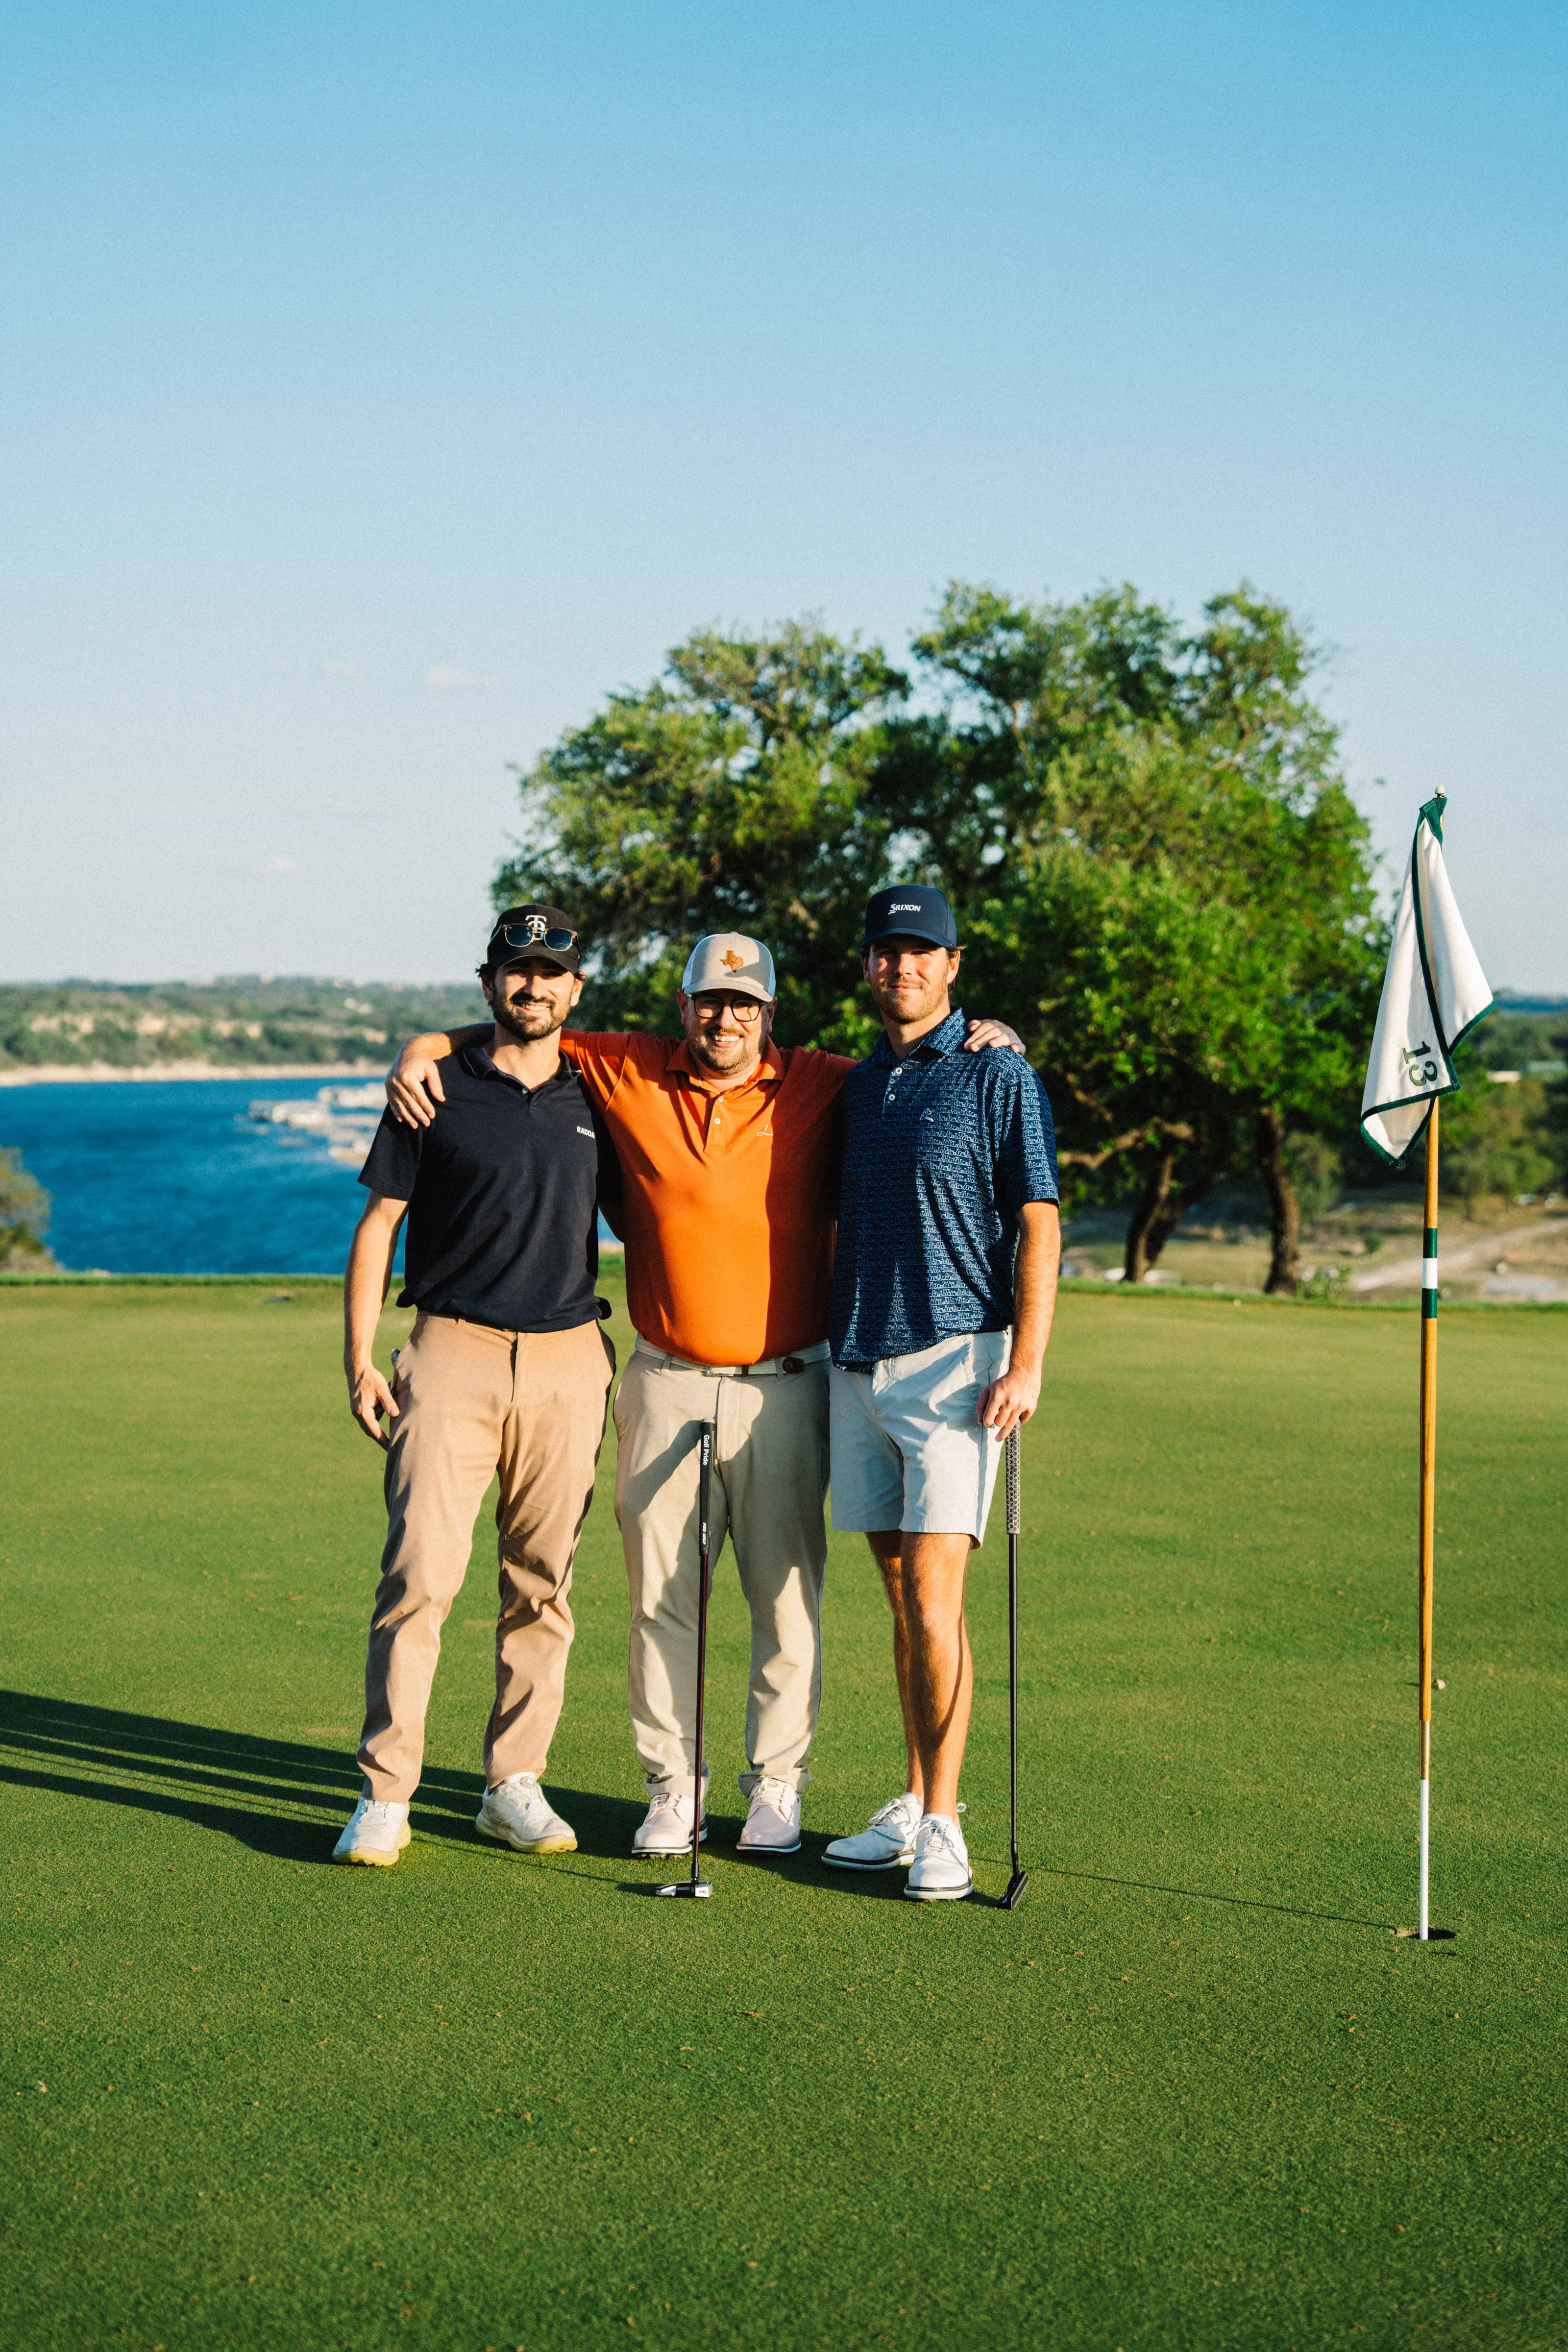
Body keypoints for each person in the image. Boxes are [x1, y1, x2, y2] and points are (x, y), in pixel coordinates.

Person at [386, 925, 1024, 1860]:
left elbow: (920, 1058)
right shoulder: (628, 1067)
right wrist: (421, 1047)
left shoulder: (826, 1082)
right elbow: (516, 1028)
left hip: (787, 1384)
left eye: (746, 1004)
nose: (726, 1018)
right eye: (711, 1002)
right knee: (661, 1598)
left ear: (771, 1014)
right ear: (684, 1007)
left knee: (786, 1597)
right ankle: (671, 1787)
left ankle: (775, 1784)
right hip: (666, 1379)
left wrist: (992, 1034)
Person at [332, 907, 621, 1867]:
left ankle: (512, 1784)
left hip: (570, 1362)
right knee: (419, 1580)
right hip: (449, 1352)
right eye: (515, 971)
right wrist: (360, 1358)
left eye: (550, 972)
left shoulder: (605, 1089)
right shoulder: (433, 1087)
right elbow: (379, 1226)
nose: (532, 986)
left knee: (543, 1588)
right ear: (488, 982)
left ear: (576, 989)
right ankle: (386, 1794)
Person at [822, 884, 1061, 1900]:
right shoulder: (855, 1082)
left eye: (921, 953)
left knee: (932, 1599)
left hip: (959, 1370)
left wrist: (1028, 1362)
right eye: (887, 952)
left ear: (952, 965)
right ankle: (917, 1796)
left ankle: (944, 1822)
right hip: (856, 1367)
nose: (902, 968)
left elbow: (1039, 1220)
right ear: (868, 964)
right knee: (901, 1601)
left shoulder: (997, 1073)